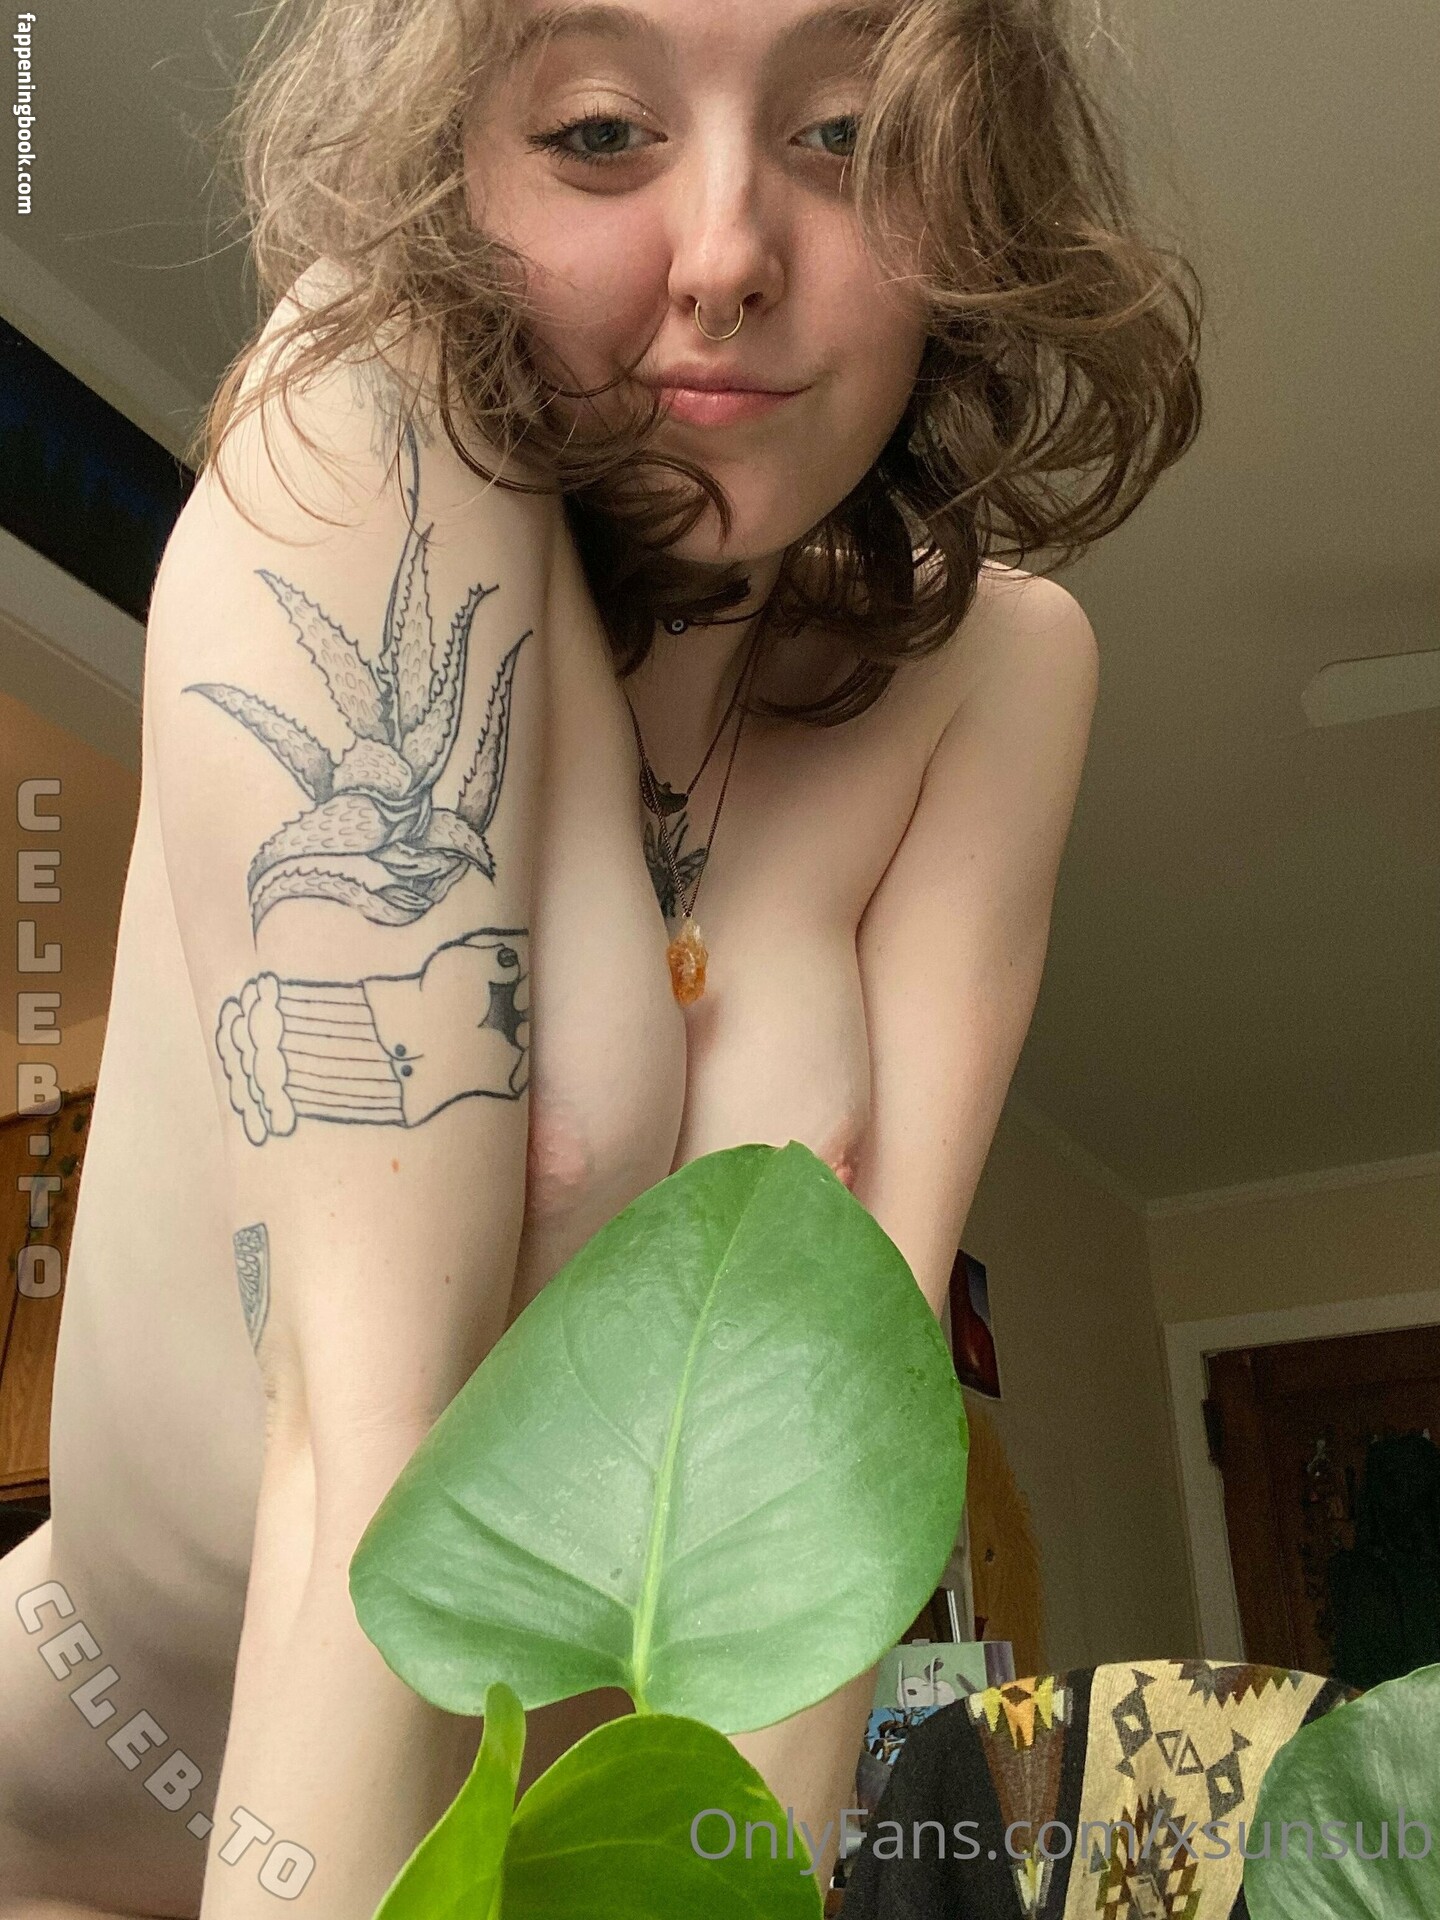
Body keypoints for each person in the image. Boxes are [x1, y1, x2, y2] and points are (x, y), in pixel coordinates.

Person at [0, 0, 1201, 1912]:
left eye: (847, 136)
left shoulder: (1004, 679)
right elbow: (369, 1464)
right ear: (445, 177)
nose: (726, 256)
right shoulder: (367, 431)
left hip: (529, 1859)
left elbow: (817, 1521)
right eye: (596, 132)